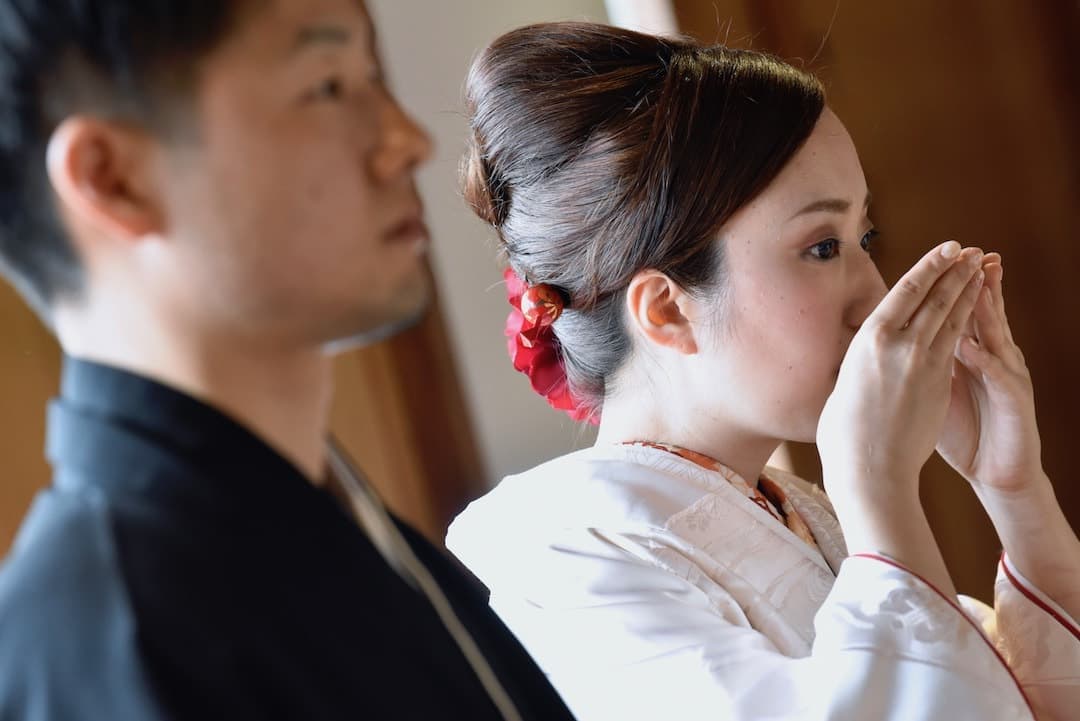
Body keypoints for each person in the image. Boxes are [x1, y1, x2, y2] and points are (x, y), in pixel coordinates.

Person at [447, 21, 1080, 721]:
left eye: (862, 237)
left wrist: (1013, 492)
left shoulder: (803, 511)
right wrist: (878, 488)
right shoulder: (562, 550)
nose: (874, 293)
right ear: (667, 310)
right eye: (820, 246)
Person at [0, 2, 578, 719]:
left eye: (371, 77)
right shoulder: (108, 639)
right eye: (328, 86)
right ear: (113, 177)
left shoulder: (345, 526)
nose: (408, 141)